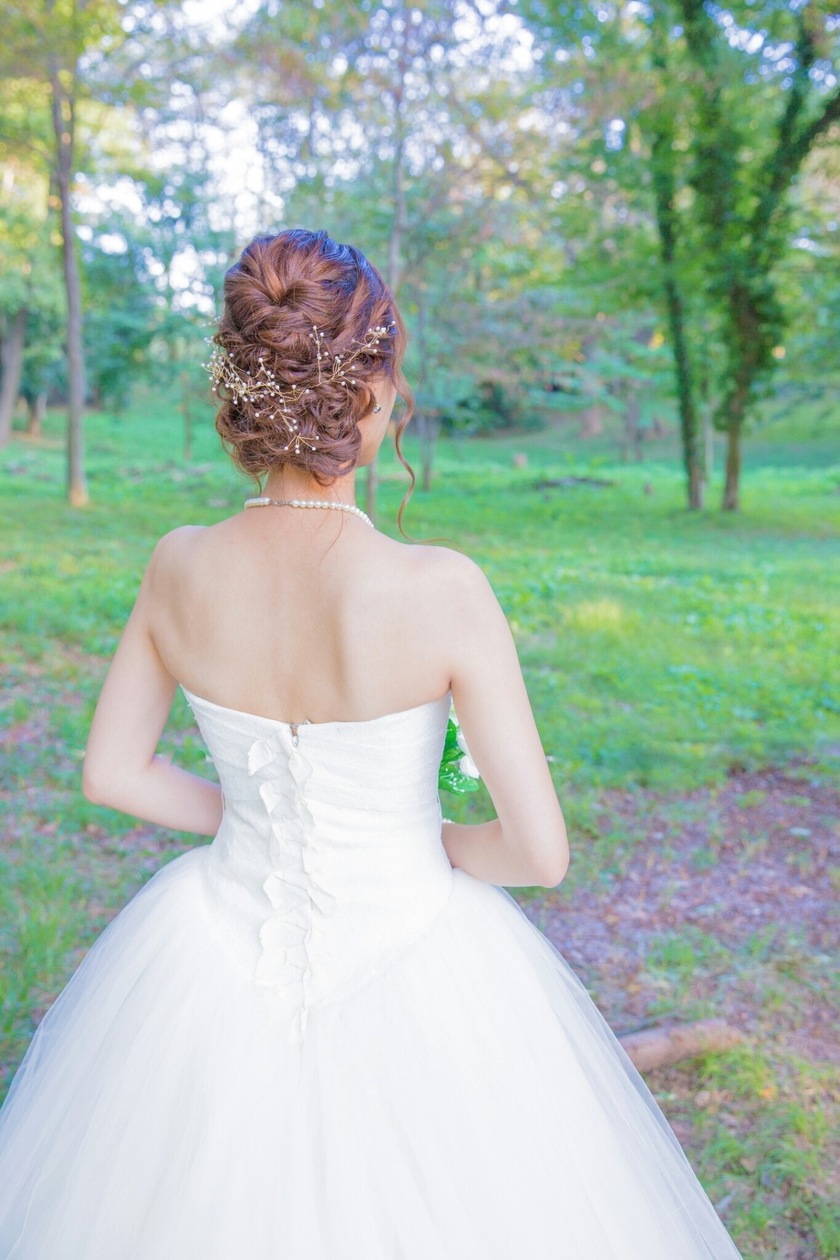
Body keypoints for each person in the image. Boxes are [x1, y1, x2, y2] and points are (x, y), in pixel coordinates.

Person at [0, 228, 741, 1259]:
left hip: (214, 941)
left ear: (241, 391)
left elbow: (111, 771)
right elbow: (538, 853)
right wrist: (424, 838)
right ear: (376, 388)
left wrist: (251, 822)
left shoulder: (178, 565)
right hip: (414, 946)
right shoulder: (441, 590)